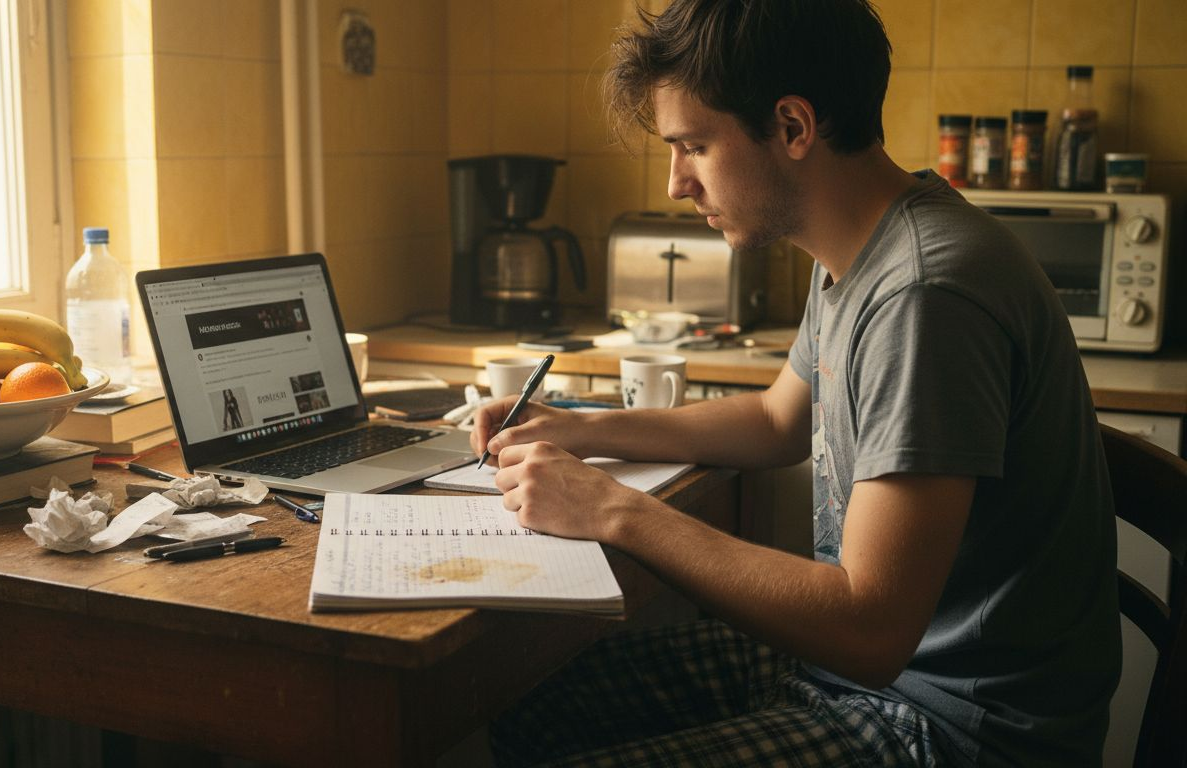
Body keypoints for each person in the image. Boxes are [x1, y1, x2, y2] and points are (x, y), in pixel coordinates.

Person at [471, 1, 1120, 766]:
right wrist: (581, 427)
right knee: (528, 706)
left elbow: (872, 630)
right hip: (865, 680)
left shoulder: (924, 294)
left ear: (792, 127)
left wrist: (615, 509)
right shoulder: (857, 248)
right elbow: (779, 418)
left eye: (695, 147)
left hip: (952, 728)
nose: (678, 184)